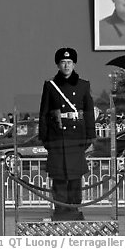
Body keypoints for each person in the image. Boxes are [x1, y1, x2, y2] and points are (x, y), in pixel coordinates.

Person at [39, 47, 96, 221]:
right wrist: (45, 138)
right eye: (63, 62)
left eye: (69, 62)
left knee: (74, 178)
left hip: (76, 138)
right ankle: (61, 210)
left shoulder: (83, 85)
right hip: (57, 138)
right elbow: (44, 112)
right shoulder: (50, 85)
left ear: (74, 64)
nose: (66, 65)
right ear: (58, 64)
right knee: (59, 177)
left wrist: (90, 136)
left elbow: (88, 112)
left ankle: (74, 209)